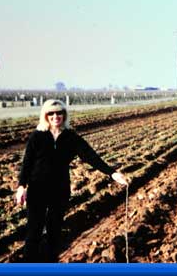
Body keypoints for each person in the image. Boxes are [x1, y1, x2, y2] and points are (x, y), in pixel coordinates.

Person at [15, 99, 128, 262]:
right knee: (34, 231)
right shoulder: (37, 136)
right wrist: (21, 187)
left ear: (64, 115)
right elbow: (27, 163)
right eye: (51, 113)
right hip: (37, 189)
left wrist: (112, 173)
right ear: (45, 115)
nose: (55, 116)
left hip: (59, 190)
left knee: (54, 231)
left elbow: (91, 156)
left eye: (59, 112)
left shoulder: (71, 137)